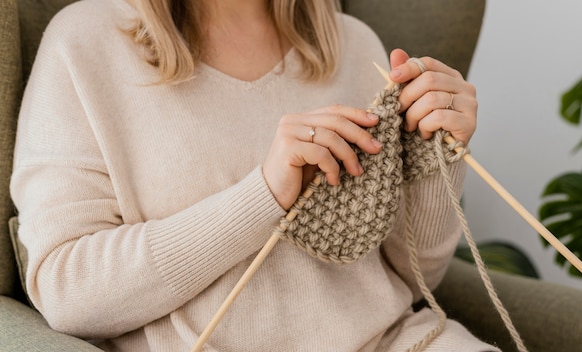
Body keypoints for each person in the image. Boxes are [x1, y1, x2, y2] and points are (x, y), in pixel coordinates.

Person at [10, 0, 495, 351]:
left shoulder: (353, 44)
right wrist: (263, 195)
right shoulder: (85, 43)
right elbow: (67, 291)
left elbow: (410, 282)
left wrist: (439, 157)